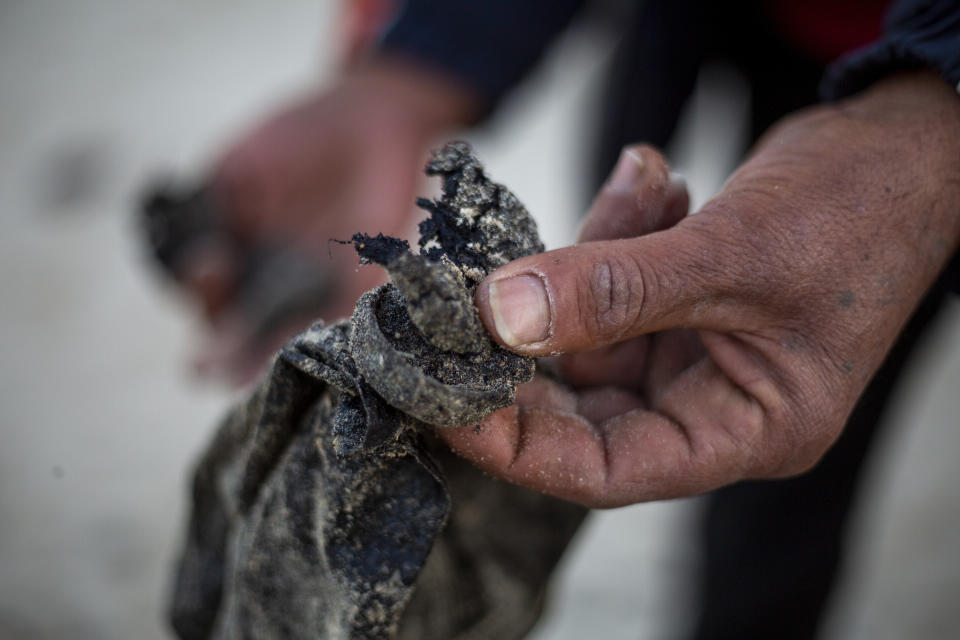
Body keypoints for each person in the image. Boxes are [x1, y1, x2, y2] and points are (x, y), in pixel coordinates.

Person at [187, 1, 960, 637]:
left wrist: (933, 117)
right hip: (720, 31)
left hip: (904, 61)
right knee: (647, 241)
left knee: (777, 404)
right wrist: (417, 67)